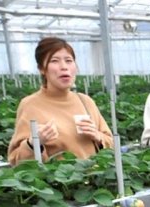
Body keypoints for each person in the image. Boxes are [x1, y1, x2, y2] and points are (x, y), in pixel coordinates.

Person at [7, 37, 113, 165]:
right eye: (54, 61)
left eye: (69, 61)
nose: (64, 67)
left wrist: (98, 136)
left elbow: (111, 144)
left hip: (95, 180)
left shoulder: (85, 101)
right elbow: (16, 161)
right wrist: (34, 142)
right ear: (42, 69)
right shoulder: (30, 105)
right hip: (60, 183)